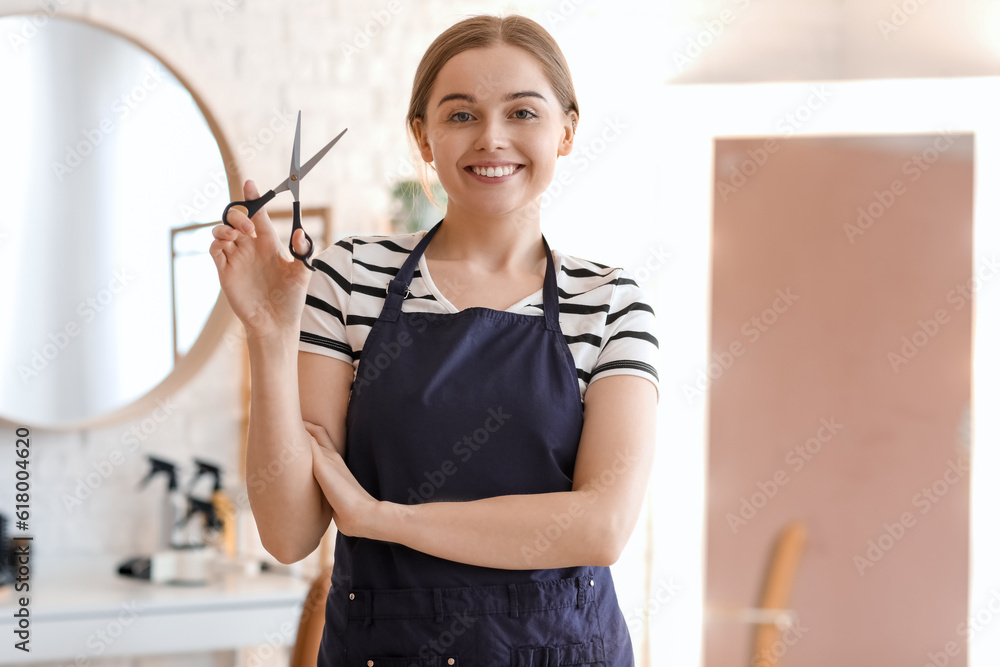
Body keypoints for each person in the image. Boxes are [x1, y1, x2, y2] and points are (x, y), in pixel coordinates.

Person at [210, 13, 659, 666]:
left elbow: (601, 525)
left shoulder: (611, 302)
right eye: (460, 115)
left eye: (523, 113)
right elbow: (288, 532)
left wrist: (382, 519)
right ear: (423, 135)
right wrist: (271, 337)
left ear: (566, 130)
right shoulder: (349, 278)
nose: (492, 138)